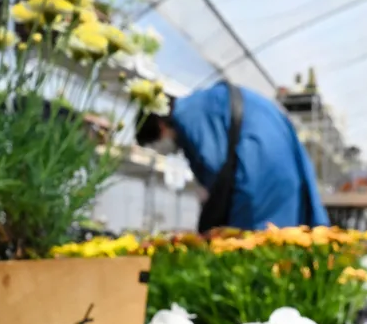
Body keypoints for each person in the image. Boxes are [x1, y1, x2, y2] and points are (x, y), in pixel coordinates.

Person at [136, 80, 329, 232]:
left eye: (155, 145)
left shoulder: (187, 118)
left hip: (260, 171)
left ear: (160, 126)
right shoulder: (202, 101)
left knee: (253, 247)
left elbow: (215, 169)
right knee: (287, 240)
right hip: (284, 158)